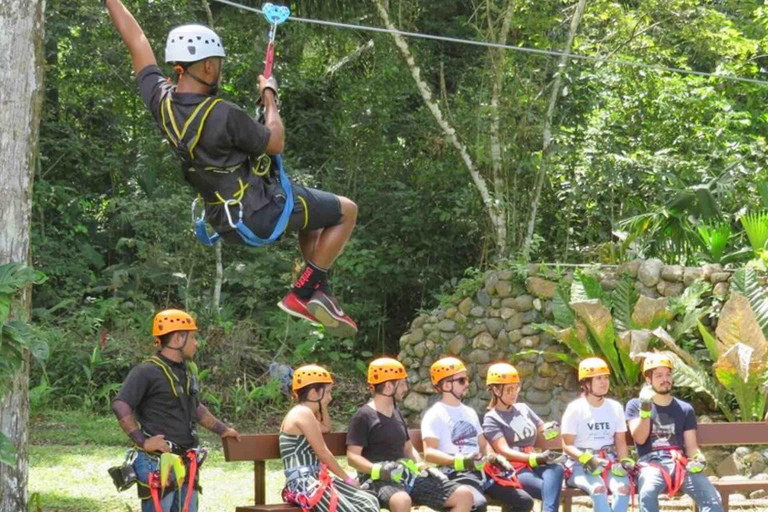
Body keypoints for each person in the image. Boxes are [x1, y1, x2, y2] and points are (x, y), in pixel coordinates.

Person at [103, 0, 358, 337]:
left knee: (313, 213)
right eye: (218, 65)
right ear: (208, 66)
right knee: (346, 211)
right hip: (262, 213)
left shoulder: (161, 102)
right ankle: (303, 293)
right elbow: (276, 140)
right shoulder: (223, 114)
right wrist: (269, 95)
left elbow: (136, 40)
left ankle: (316, 288)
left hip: (225, 223)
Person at [112, 309, 240, 512]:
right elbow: (121, 404)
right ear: (178, 337)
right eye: (193, 337)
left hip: (186, 462)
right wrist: (143, 441)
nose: (196, 343)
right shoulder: (146, 371)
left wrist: (223, 430)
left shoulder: (184, 371)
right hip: (157, 463)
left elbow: (195, 408)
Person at [346, 357, 475, 512]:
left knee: (463, 495)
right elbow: (353, 457)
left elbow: (407, 446)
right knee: (402, 500)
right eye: (402, 384)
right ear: (388, 387)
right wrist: (378, 470)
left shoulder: (396, 413)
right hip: (378, 479)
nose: (406, 388)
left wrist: (421, 465)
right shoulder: (363, 416)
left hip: (405, 475)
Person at [421, 357, 534, 512]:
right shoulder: (434, 414)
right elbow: (429, 453)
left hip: (482, 472)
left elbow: (483, 444)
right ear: (446, 385)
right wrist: (460, 461)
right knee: (478, 505)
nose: (467, 384)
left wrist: (494, 458)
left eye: (466, 379)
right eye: (461, 380)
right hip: (456, 475)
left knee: (524, 501)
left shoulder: (469, 412)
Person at [625, 353, 724, 512]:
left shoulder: (685, 409)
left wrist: (698, 458)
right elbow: (640, 439)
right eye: (659, 375)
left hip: (679, 463)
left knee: (712, 498)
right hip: (650, 463)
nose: (665, 379)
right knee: (647, 493)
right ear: (648, 380)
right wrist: (645, 408)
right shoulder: (635, 405)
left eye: (668, 374)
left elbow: (691, 446)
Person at [279, 364, 380, 512]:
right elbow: (323, 453)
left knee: (368, 501)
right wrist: (348, 480)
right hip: (303, 483)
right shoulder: (302, 414)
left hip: (316, 478)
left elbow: (326, 427)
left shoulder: (306, 414)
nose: (330, 398)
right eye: (327, 392)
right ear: (314, 393)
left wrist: (322, 405)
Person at [482, 362, 565, 512]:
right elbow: (504, 451)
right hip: (515, 468)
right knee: (549, 490)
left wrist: (551, 429)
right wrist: (533, 458)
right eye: (509, 389)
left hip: (536, 462)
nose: (514, 393)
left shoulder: (523, 408)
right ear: (495, 390)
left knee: (557, 469)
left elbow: (542, 430)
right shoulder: (491, 418)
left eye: (516, 388)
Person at [561, 357, 633, 512]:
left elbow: (620, 441)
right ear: (586, 383)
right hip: (580, 463)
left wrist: (624, 461)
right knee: (598, 489)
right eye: (598, 378)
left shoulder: (615, 407)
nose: (604, 382)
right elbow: (567, 445)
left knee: (623, 489)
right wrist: (588, 459)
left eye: (606, 377)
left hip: (609, 461)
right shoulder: (575, 409)